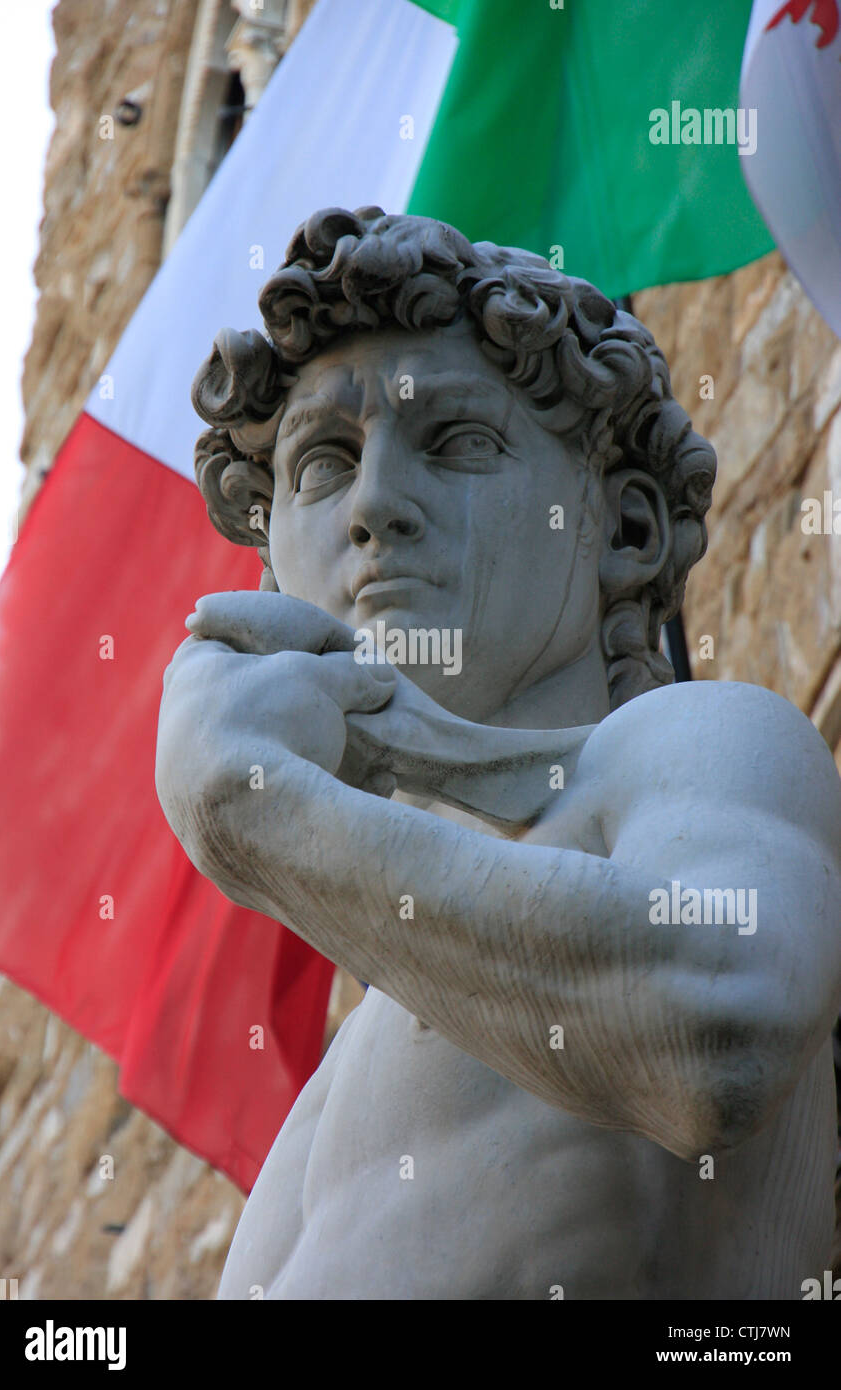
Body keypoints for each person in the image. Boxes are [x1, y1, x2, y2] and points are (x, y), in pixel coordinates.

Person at [155, 207, 841, 1299]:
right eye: (324, 463)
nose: (374, 505)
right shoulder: (328, 1100)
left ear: (620, 527)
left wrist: (260, 813)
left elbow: (721, 1023)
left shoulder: (693, 751)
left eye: (455, 441)